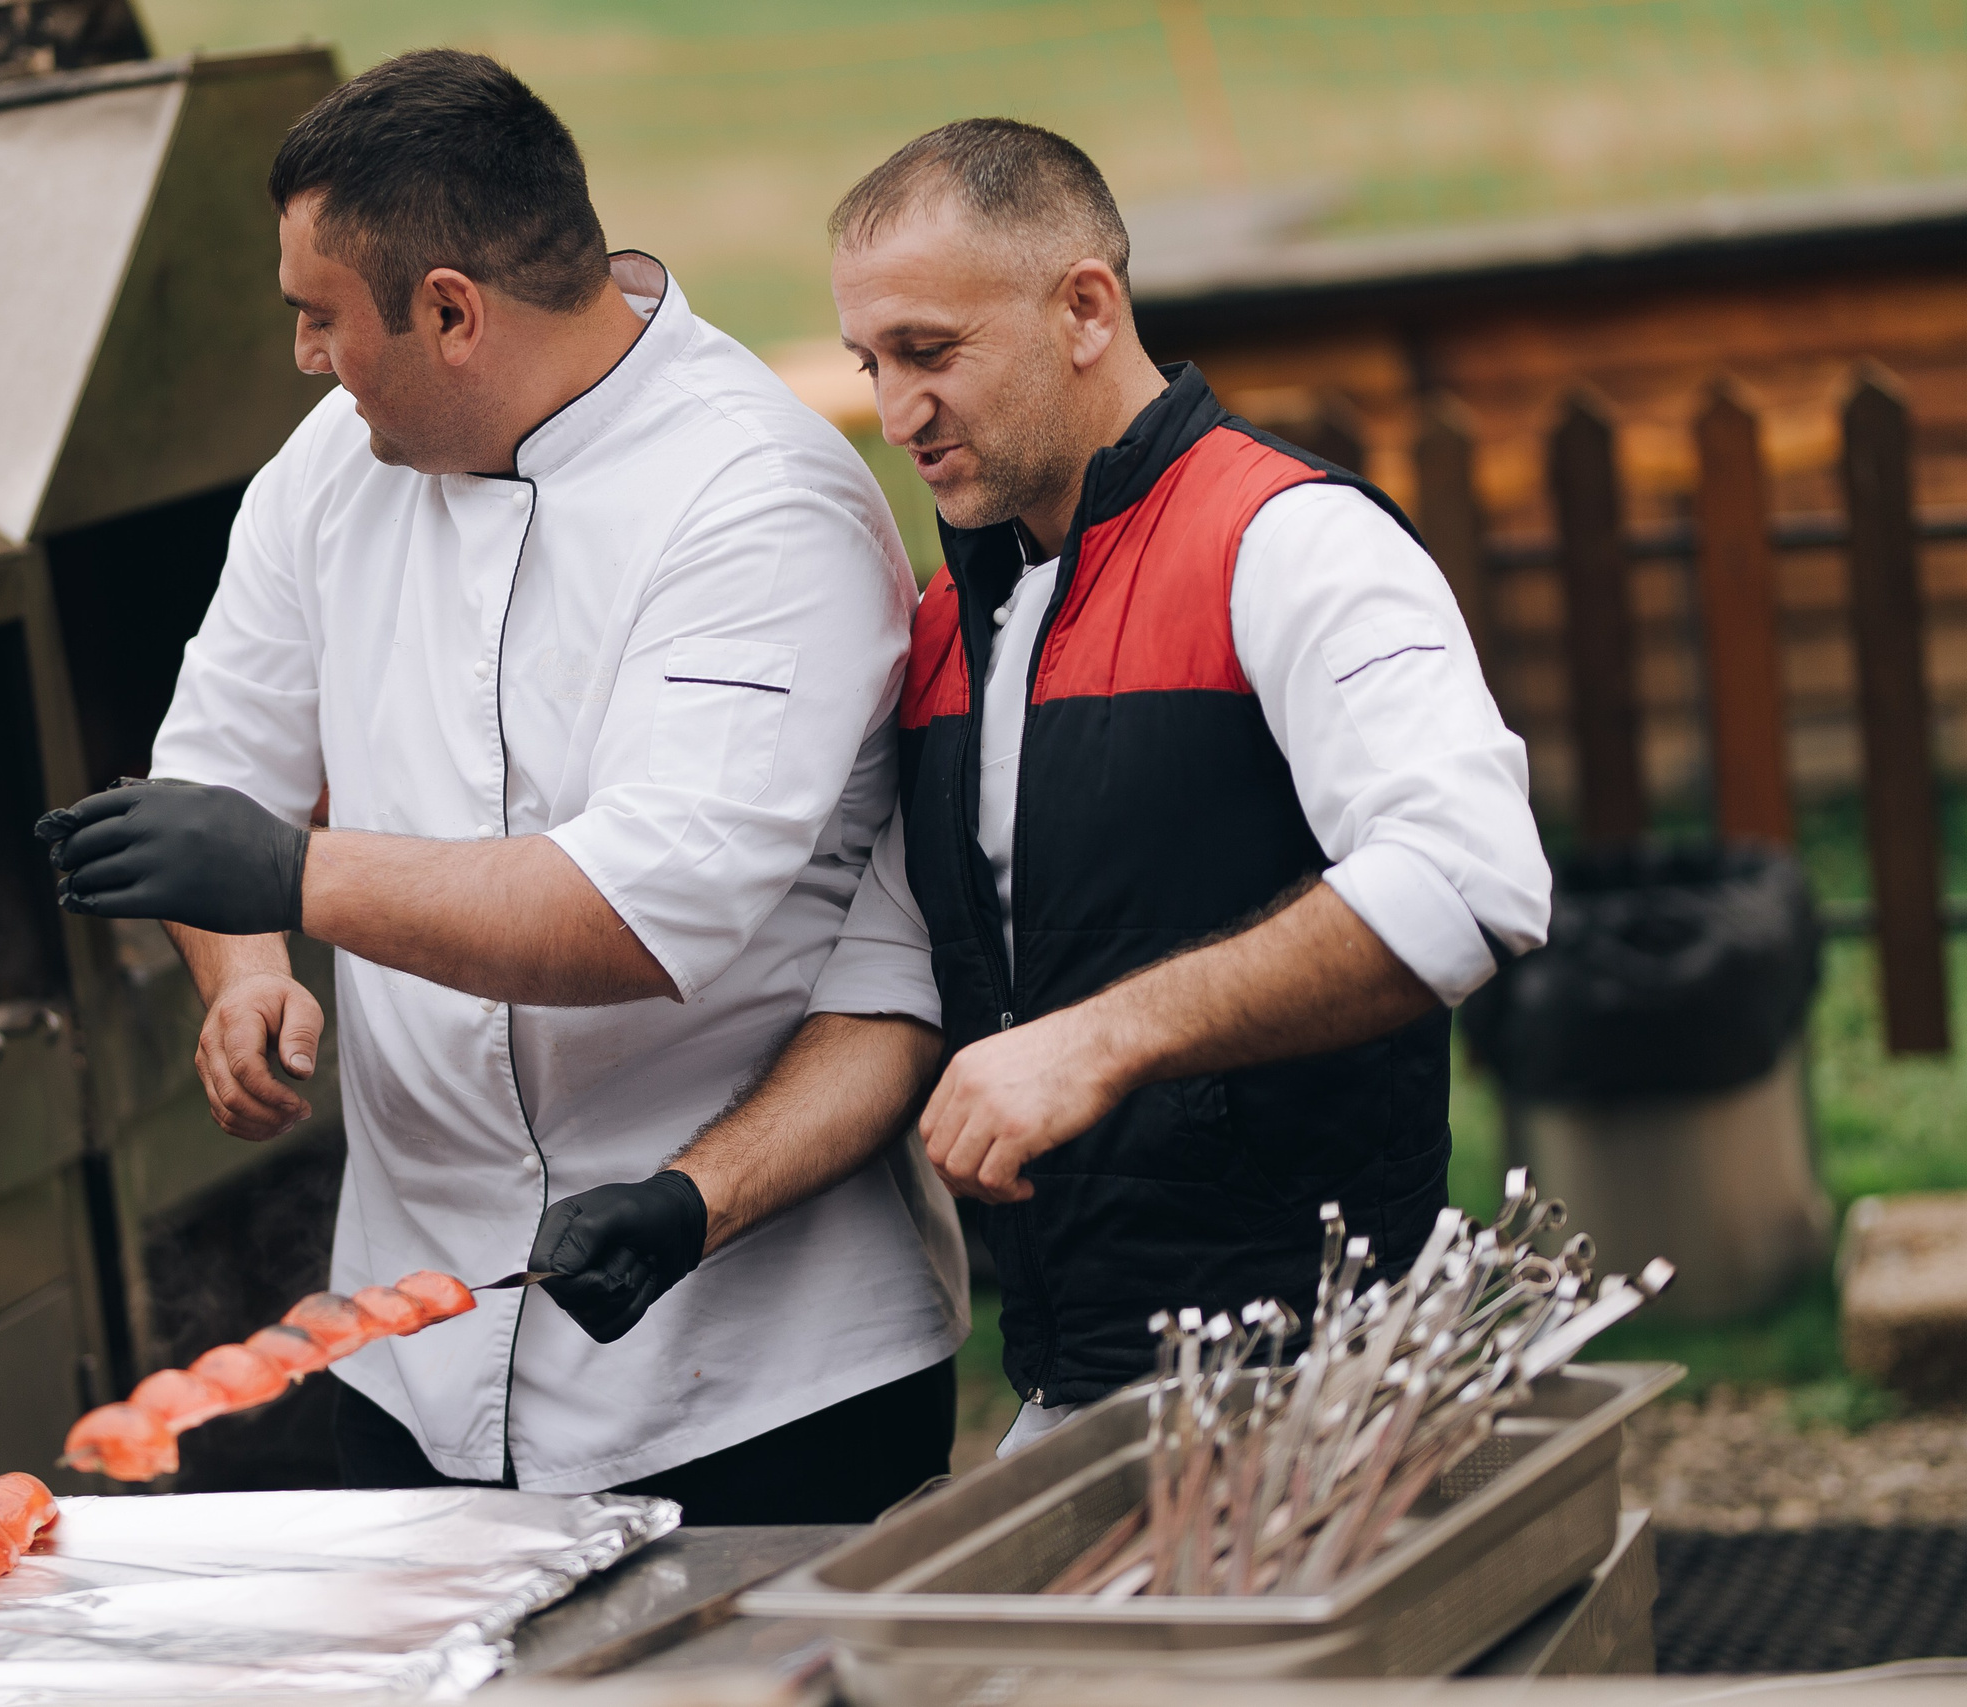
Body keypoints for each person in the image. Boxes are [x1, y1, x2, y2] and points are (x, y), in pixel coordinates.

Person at [33, 50, 967, 1519]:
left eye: (318, 317)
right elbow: (221, 760)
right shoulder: (331, 466)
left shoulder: (757, 500)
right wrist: (239, 976)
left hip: (736, 1365)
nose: (304, 358)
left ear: (452, 311)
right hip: (405, 1351)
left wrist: (288, 877)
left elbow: (635, 914)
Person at [529, 118, 1550, 1458]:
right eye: (870, 364)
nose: (895, 416)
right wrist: (686, 1206)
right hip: (1073, 1392)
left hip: (1336, 1389)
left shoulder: (1293, 545)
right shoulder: (952, 631)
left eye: (930, 354)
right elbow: (892, 990)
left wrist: (1100, 1037)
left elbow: (1471, 880)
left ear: (1084, 308)